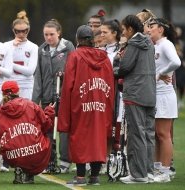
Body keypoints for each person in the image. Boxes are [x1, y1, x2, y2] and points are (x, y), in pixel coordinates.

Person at [58, 25, 114, 186]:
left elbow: (68, 85)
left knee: (79, 138)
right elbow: (110, 84)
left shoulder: (75, 56)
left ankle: (81, 176)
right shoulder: (105, 57)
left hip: (80, 104)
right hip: (101, 104)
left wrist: (65, 110)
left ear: (78, 39)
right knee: (99, 138)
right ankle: (95, 176)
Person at [0, 80, 55, 184]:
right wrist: (49, 111)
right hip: (38, 154)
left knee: (12, 147)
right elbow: (47, 125)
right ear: (18, 92)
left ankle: (20, 168)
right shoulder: (31, 105)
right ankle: (29, 172)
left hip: (12, 156)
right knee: (44, 137)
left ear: (2, 94)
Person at [113, 15, 156, 184]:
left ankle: (138, 175)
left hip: (136, 94)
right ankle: (148, 172)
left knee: (136, 134)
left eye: (124, 29)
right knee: (147, 134)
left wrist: (117, 60)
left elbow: (124, 67)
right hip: (150, 93)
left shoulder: (133, 44)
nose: (123, 33)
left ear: (130, 29)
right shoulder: (149, 43)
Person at [32, 19, 74, 174]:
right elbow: (39, 77)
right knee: (47, 129)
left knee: (63, 129)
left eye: (52, 34)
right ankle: (48, 160)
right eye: (46, 34)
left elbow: (73, 71)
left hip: (64, 97)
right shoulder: (42, 49)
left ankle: (65, 161)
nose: (48, 38)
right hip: (47, 97)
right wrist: (35, 101)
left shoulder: (68, 47)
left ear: (59, 33)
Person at [149, 18, 181, 182]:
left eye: (151, 27)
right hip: (155, 95)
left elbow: (176, 62)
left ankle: (166, 172)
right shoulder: (155, 45)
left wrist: (161, 73)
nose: (148, 29)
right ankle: (157, 168)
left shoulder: (165, 44)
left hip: (164, 95)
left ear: (160, 29)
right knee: (156, 134)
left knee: (163, 134)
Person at [100, 19, 123, 174]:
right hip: (101, 93)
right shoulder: (100, 50)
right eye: (100, 32)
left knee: (114, 128)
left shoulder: (121, 50)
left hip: (117, 94)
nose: (101, 35)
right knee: (101, 127)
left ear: (114, 33)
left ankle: (112, 160)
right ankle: (101, 160)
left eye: (105, 32)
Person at [4, 10, 38, 100]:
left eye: (24, 31)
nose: (21, 34)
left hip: (26, 86)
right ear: (13, 30)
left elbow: (30, 71)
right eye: (17, 31)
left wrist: (10, 64)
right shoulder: (6, 45)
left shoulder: (33, 47)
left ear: (28, 30)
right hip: (9, 86)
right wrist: (13, 47)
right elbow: (2, 65)